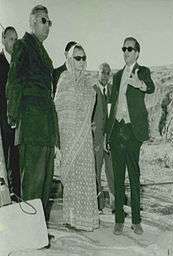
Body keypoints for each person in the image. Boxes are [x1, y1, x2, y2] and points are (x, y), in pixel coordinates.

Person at [6, 5, 59, 219]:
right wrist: (13, 115)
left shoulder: (41, 50)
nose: (48, 26)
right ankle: (30, 230)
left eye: (50, 22)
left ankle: (39, 229)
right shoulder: (23, 45)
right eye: (44, 21)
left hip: (45, 128)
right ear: (33, 22)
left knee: (45, 183)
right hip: (31, 124)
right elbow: (14, 82)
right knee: (33, 183)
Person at [106, 36, 155, 235]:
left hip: (133, 132)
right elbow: (112, 105)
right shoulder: (117, 76)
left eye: (130, 48)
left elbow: (150, 87)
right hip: (117, 131)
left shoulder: (143, 72)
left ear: (137, 52)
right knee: (118, 178)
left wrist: (140, 84)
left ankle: (136, 220)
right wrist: (106, 134)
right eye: (124, 48)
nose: (126, 52)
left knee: (134, 177)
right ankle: (119, 220)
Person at [54, 44, 99, 231]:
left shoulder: (88, 82)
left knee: (85, 176)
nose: (81, 61)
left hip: (84, 137)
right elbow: (58, 107)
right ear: (70, 59)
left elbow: (91, 104)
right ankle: (71, 218)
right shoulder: (64, 79)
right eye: (77, 58)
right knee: (71, 177)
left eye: (83, 57)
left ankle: (85, 219)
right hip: (68, 136)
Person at [91, 62, 115, 213]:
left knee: (112, 172)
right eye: (103, 72)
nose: (105, 75)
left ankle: (115, 205)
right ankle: (97, 205)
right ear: (97, 74)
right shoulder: (92, 91)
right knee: (96, 172)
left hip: (111, 139)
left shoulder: (112, 91)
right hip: (97, 139)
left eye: (108, 72)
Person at [0, 26, 20, 199]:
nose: (14, 42)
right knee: (3, 159)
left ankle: (16, 194)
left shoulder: (19, 63)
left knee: (16, 157)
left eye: (16, 39)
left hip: (17, 120)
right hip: (2, 120)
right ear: (3, 39)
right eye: (11, 39)